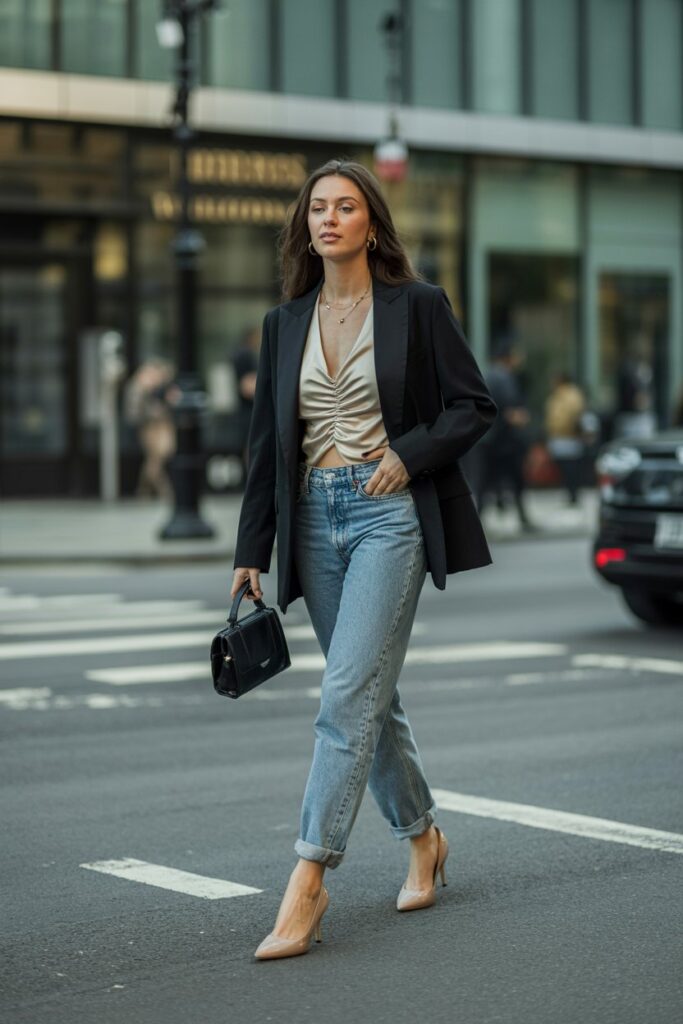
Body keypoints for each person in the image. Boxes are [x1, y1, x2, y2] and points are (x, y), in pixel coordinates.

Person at [230, 159, 496, 961]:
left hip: (388, 518)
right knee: (371, 697)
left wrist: (409, 456)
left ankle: (308, 878)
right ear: (305, 227)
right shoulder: (284, 325)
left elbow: (472, 405)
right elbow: (266, 447)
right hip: (314, 517)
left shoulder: (415, 308)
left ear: (370, 224)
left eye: (345, 206)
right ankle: (424, 839)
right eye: (318, 208)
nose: (329, 218)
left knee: (345, 693)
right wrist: (252, 549)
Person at [476, 339, 535, 530]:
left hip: (488, 438)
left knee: (486, 482)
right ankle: (523, 519)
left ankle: (476, 521)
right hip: (504, 441)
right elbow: (511, 412)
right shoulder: (504, 377)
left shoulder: (488, 374)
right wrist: (523, 419)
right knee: (516, 479)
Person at [124, 358, 177, 500]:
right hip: (149, 427)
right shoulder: (138, 387)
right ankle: (165, 491)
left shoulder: (158, 386)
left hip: (161, 425)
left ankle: (144, 490)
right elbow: (134, 412)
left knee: (156, 458)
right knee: (155, 459)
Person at [545, 372, 586, 505]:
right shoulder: (558, 395)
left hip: (568, 436)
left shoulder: (570, 395)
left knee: (570, 468)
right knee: (567, 467)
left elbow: (575, 416)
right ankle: (571, 493)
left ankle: (572, 494)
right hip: (561, 436)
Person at [231, 326, 260, 480]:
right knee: (251, 445)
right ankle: (251, 478)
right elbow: (246, 386)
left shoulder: (240, 354)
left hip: (245, 410)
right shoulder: (245, 355)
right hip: (249, 411)